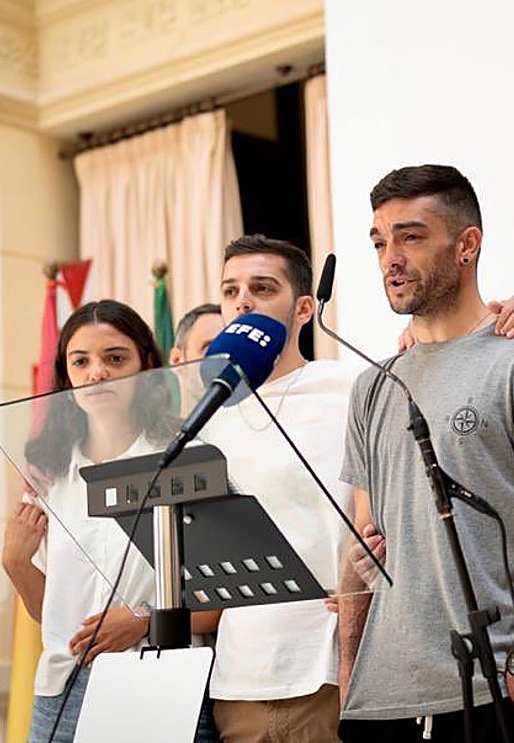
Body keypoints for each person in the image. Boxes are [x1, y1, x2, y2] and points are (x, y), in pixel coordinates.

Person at [337, 164, 514, 741]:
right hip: (379, 701)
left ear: (467, 244)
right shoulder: (372, 385)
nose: (390, 258)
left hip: (492, 690)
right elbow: (359, 541)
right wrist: (350, 668)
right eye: (379, 242)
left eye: (411, 236)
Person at [201, 234, 359, 743]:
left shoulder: (348, 389)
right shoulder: (210, 410)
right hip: (237, 678)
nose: (243, 300)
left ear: (304, 308)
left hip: (328, 669)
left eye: (262, 288)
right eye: (231, 291)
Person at [2, 300, 176, 742]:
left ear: (147, 366)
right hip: (63, 690)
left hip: (157, 680)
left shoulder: (181, 458)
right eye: (81, 361)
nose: (96, 372)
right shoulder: (50, 474)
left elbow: (221, 596)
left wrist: (143, 620)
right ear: (66, 376)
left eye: (115, 358)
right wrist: (17, 564)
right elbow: (56, 615)